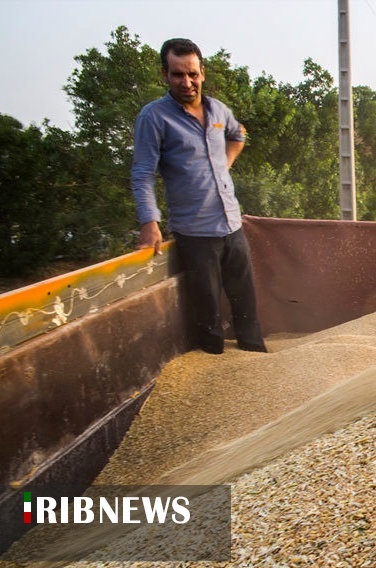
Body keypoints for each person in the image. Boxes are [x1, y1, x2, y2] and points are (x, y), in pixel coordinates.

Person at [131, 38, 267, 354]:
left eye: (192, 73)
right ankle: (213, 362)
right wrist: (149, 222)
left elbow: (239, 134)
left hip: (232, 223)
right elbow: (142, 173)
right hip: (195, 232)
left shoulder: (218, 110)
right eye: (178, 74)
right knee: (207, 311)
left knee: (245, 301)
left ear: (202, 72)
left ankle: (255, 356)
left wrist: (225, 163)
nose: (187, 82)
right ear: (165, 75)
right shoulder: (154, 117)